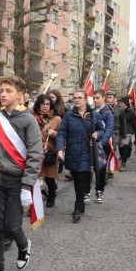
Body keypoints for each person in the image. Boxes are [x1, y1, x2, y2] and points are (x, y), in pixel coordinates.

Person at [0, 75, 42, 271]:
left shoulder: (29, 120)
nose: (3, 94)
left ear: (20, 95)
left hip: (18, 182)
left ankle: (24, 245)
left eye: (8, 90)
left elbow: (35, 155)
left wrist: (27, 185)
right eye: (2, 90)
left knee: (12, 226)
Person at [56, 90, 104, 222]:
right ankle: (81, 203)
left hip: (88, 152)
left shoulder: (94, 115)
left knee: (82, 178)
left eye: (79, 98)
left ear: (85, 99)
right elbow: (61, 133)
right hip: (72, 152)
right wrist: (60, 149)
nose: (76, 100)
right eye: (74, 98)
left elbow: (102, 129)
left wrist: (97, 135)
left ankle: (77, 207)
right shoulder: (69, 115)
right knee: (77, 179)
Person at [33, 94, 62, 207]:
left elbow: (62, 135)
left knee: (49, 177)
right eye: (42, 104)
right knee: (34, 176)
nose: (45, 106)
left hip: (48, 152)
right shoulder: (33, 117)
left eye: (47, 104)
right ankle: (34, 199)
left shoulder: (56, 119)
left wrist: (53, 133)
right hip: (35, 151)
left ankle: (51, 196)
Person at [91, 89, 114, 203]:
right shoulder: (91, 111)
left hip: (103, 144)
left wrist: (102, 142)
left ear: (104, 98)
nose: (95, 100)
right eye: (94, 98)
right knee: (90, 167)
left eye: (97, 98)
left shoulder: (108, 112)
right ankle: (86, 192)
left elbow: (109, 129)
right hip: (91, 143)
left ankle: (99, 191)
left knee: (100, 168)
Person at [105, 91, 127, 178]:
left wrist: (123, 137)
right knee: (103, 151)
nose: (108, 99)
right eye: (107, 97)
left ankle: (110, 170)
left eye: (110, 97)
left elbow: (123, 124)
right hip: (104, 131)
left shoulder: (119, 109)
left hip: (114, 132)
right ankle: (105, 172)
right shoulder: (103, 108)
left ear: (114, 99)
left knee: (111, 151)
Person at [118, 97, 136, 172]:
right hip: (119, 131)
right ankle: (126, 153)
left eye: (121, 102)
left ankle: (123, 163)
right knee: (120, 147)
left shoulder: (131, 112)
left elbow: (134, 124)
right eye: (119, 102)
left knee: (123, 146)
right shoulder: (118, 111)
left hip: (128, 132)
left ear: (125, 103)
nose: (120, 103)